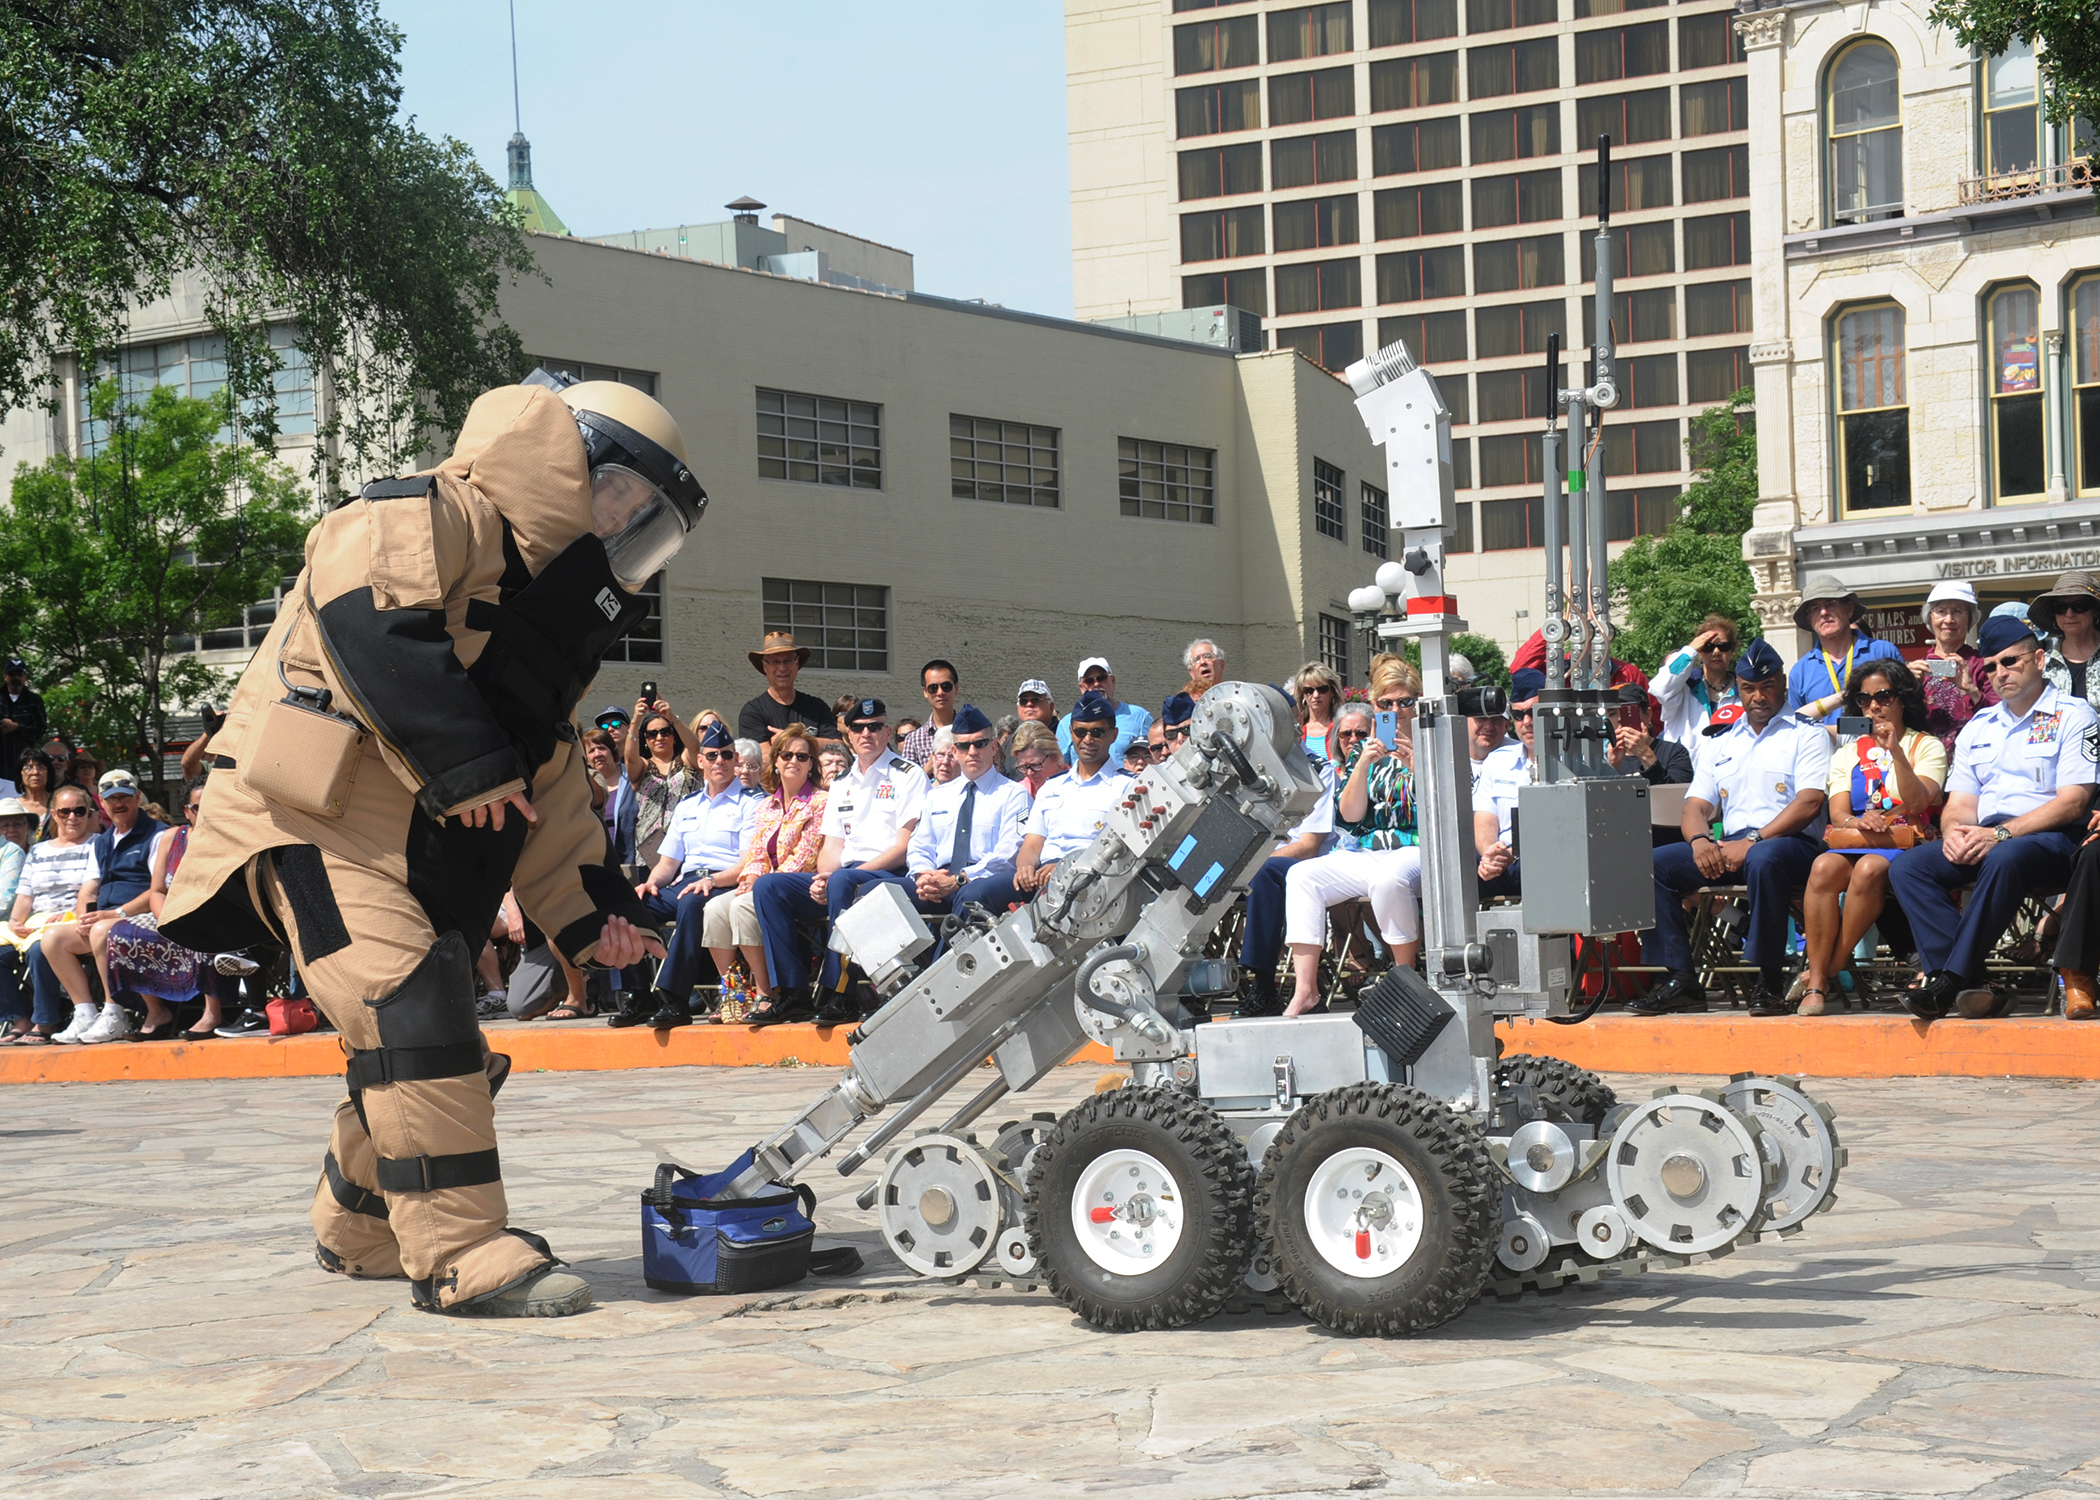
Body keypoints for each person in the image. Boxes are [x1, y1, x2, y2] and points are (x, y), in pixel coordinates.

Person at [160, 373, 698, 1318]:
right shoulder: (423, 512)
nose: (622, 524)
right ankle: (462, 1252)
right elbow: (370, 625)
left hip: (402, 849)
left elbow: (552, 789)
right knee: (408, 1004)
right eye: (619, 495)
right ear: (569, 459)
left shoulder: (541, 632)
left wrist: (593, 920)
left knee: (417, 1033)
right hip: (305, 825)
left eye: (644, 516)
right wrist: (466, 760)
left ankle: (361, 1228)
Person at [1887, 614, 2099, 1020]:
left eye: (2010, 661)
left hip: (2052, 839)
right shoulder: (1979, 727)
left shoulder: (2075, 715)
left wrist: (2000, 834)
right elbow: (1961, 803)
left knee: (2005, 857)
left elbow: (2073, 802)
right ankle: (1974, 984)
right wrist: (1952, 832)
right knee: (1910, 867)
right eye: (1990, 667)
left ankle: (1947, 980)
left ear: (2039, 659)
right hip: (1991, 836)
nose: (2000, 673)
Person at [1633, 640, 1829, 1015]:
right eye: (1749, 688)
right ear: (1738, 688)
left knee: (1764, 858)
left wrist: (1754, 841)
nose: (1758, 697)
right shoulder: (1722, 741)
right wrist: (1700, 841)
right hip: (1732, 845)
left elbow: (1809, 803)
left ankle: (1767, 979)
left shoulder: (1807, 733)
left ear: (1783, 684)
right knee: (1653, 864)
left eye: (1767, 686)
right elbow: (1695, 806)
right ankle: (1680, 977)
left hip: (1791, 844)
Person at [753, 698, 926, 1024]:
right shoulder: (842, 782)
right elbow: (833, 846)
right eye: (859, 728)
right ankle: (794, 993)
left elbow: (904, 845)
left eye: (875, 727)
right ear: (848, 735)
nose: (867, 734)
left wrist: (841, 878)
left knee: (845, 881)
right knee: (769, 886)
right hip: (844, 878)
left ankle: (840, 993)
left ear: (887, 731)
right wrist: (823, 878)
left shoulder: (907, 775)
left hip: (891, 876)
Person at [1795, 662, 1944, 1018]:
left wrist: (1895, 753)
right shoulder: (1848, 753)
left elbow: (1918, 802)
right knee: (1822, 867)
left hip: (1906, 841)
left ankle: (1826, 970)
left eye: (1883, 696)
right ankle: (1819, 976)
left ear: (1902, 699)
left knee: (1867, 870)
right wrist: (1859, 821)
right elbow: (1837, 814)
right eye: (1864, 699)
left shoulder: (1927, 745)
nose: (1873, 707)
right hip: (1858, 838)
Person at [1282, 661, 1422, 1017]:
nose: (1396, 711)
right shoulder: (1365, 749)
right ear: (1375, 706)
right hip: (1369, 849)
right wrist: (1363, 765)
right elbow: (1351, 816)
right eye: (1386, 704)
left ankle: (1406, 977)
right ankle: (1306, 990)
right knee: (1301, 876)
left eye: (1404, 702)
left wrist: (1415, 766)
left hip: (1419, 846)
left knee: (1389, 879)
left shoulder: (1433, 740)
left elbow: (1445, 809)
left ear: (1418, 702)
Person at [830, 705, 1029, 941]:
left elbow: (1009, 853)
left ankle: (937, 975)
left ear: (994, 746)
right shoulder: (937, 796)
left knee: (971, 897)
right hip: (936, 882)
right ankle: (869, 975)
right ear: (954, 751)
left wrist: (959, 879)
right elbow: (919, 846)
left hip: (979, 881)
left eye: (981, 743)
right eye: (964, 746)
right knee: (872, 893)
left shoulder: (1014, 795)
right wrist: (923, 876)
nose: (972, 751)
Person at [98, 777, 254, 1041]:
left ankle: (211, 1013)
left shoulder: (232, 838)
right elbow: (157, 890)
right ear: (186, 811)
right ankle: (156, 1011)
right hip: (172, 913)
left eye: (211, 806)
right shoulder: (171, 837)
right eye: (197, 808)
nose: (204, 813)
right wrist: (167, 920)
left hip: (215, 913)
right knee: (121, 933)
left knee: (203, 932)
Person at [622, 721, 750, 1030]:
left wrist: (712, 881)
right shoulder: (688, 805)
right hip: (687, 880)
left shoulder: (751, 802)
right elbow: (668, 863)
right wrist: (650, 884)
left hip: (725, 883)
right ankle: (639, 996)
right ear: (701, 761)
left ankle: (675, 999)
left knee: (692, 903)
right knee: (629, 906)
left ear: (735, 760)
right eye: (713, 755)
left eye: (727, 755)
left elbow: (747, 862)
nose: (720, 761)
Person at [704, 725, 827, 1018]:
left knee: (741, 908)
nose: (793, 761)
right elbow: (757, 853)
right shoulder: (766, 806)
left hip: (799, 886)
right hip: (764, 883)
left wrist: (760, 884)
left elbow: (806, 857)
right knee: (714, 909)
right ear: (777, 761)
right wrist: (749, 878)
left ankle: (767, 992)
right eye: (787, 755)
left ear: (811, 764)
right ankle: (734, 995)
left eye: (802, 756)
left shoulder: (821, 802)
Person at [1236, 705, 1347, 1016]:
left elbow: (1309, 846)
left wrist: (1254, 861)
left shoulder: (1317, 770)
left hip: (1306, 865)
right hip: (1261, 863)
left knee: (1263, 873)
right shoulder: (1247, 772)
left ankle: (1263, 986)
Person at [40, 769, 164, 1044]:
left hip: (144, 918)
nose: (118, 804)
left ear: (138, 797)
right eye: (111, 799)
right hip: (107, 920)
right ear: (102, 803)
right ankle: (84, 1011)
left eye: (125, 797)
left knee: (101, 931)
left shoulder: (157, 835)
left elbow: (160, 891)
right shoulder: (104, 840)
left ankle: (114, 1011)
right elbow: (89, 887)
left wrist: (114, 914)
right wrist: (84, 916)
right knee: (53, 938)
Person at [1, 784, 98, 1044]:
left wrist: (68, 914)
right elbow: (25, 895)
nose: (72, 817)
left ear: (89, 813)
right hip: (37, 919)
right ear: (54, 814)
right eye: (65, 812)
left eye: (79, 811)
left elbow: (91, 891)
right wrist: (15, 921)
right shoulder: (38, 851)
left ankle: (45, 1021)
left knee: (39, 949)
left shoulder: (97, 845)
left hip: (71, 919)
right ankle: (18, 1017)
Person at [1012, 693, 1132, 897]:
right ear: (1071, 732)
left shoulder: (1127, 787)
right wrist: (1024, 868)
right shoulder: (1051, 787)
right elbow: (1031, 844)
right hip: (1041, 874)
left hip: (1091, 879)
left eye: (1097, 732)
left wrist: (1064, 868)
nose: (1088, 739)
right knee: (978, 895)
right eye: (1080, 732)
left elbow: (1120, 850)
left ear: (1113, 735)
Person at [1785, 574, 1904, 724]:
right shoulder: (1801, 671)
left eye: (1831, 604)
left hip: (1882, 745)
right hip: (1825, 747)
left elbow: (1906, 706)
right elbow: (1794, 726)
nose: (1823, 612)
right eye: (1815, 608)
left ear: (1849, 609)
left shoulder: (1883, 652)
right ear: (1809, 620)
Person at [1475, 671, 1540, 900]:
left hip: (1546, 861)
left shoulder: (1575, 761)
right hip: (1503, 862)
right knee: (1455, 865)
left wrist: (1508, 856)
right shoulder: (1498, 760)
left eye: (1534, 712)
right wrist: (1489, 854)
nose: (1527, 722)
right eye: (1519, 715)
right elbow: (1484, 819)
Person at [1916, 581, 1996, 753]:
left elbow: (2001, 716)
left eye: (1957, 612)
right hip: (1926, 761)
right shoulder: (1918, 668)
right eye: (1941, 612)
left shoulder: (1983, 665)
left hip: (1975, 756)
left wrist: (1972, 690)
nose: (1949, 620)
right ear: (1930, 618)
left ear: (1970, 620)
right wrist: (1906, 688)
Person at [624, 696, 699, 868]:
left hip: (687, 843)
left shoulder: (687, 760)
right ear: (646, 740)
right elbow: (629, 756)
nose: (659, 737)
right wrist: (636, 720)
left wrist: (672, 718)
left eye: (665, 731)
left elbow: (696, 748)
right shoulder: (643, 765)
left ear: (674, 736)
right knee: (653, 892)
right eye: (652, 734)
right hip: (650, 846)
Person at [1655, 615, 1743, 744]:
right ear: (1699, 651)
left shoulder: (1744, 690)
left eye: (1723, 646)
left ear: (1732, 650)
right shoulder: (1683, 687)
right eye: (1708, 647)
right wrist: (1690, 650)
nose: (1716, 651)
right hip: (1685, 763)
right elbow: (1659, 688)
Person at [738, 631, 832, 744]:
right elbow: (762, 756)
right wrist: (812, 744)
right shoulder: (753, 712)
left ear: (797, 663)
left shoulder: (817, 707)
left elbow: (837, 748)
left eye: (788, 661)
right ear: (764, 666)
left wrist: (790, 740)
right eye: (775, 662)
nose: (782, 668)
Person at [1057, 658, 1153, 764]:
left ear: (1113, 680)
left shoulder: (1140, 718)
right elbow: (1061, 766)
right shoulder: (1067, 723)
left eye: (1101, 678)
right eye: (1089, 681)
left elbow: (1155, 759)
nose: (1097, 684)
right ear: (1081, 687)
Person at [2033, 570, 2100, 711]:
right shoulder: (2041, 662)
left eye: (2079, 606)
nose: (2069, 614)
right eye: (2060, 607)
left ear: (2095, 610)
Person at [581, 729, 635, 867]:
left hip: (636, 863)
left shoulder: (634, 779)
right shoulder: (582, 787)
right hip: (600, 864)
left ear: (613, 752)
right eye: (591, 751)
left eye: (602, 748)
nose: (597, 754)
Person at [899, 660, 960, 765]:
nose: (940, 692)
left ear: (956, 688)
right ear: (925, 692)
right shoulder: (913, 740)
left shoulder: (972, 733)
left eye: (946, 686)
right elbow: (909, 780)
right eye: (933, 688)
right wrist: (930, 765)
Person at [0, 659, 47, 781]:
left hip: (23, 762)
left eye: (19, 674)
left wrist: (17, 727)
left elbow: (40, 730)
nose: (16, 678)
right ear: (5, 676)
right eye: (12, 674)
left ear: (25, 677)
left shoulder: (35, 701)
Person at [1290, 661, 1343, 762]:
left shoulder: (1342, 728)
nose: (1316, 695)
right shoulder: (1295, 729)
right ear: (1303, 695)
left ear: (1332, 692)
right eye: (1309, 690)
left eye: (1322, 689)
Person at [1467, 707, 1515, 799]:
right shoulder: (1444, 754)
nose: (1489, 726)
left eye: (1496, 719)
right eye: (1481, 718)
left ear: (1506, 726)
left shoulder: (1522, 757)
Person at [1010, 721, 1067, 798]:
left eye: (1035, 765)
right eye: (1023, 767)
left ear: (1055, 757)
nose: (1029, 773)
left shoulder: (1077, 785)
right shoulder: (1020, 792)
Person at [14, 750, 53, 841]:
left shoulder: (58, 804)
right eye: (29, 767)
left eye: (40, 767)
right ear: (20, 774)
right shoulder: (14, 807)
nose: (35, 772)